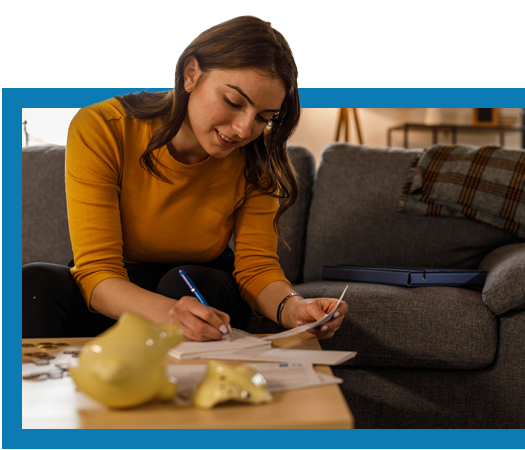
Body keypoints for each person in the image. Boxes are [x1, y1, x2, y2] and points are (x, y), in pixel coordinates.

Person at [22, 15, 348, 341]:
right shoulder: (103, 126)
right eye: (233, 102)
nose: (244, 130)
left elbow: (257, 269)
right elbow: (97, 271)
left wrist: (294, 309)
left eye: (264, 118)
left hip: (198, 282)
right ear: (191, 74)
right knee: (33, 282)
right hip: (117, 289)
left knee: (183, 283)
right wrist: (165, 313)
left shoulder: (257, 157)